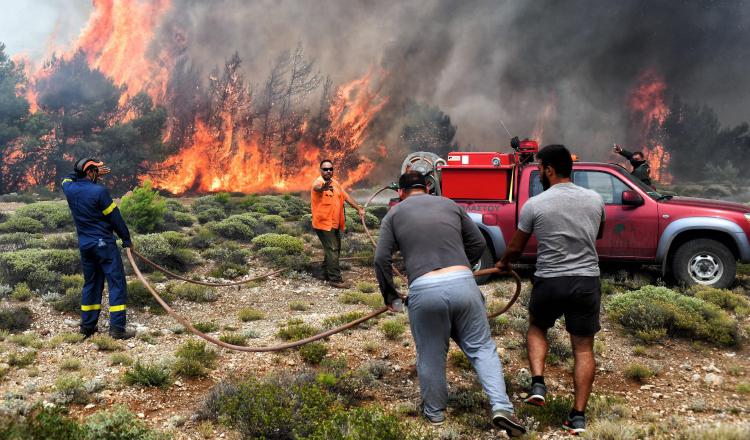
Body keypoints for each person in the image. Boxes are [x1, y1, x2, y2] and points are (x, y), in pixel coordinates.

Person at [374, 171, 526, 437]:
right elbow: (478, 242)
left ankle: (435, 415)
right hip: (464, 284)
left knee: (431, 354)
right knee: (482, 349)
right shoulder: (449, 204)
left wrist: (393, 298)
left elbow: (381, 259)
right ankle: (502, 407)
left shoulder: (394, 214)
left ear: (401, 192)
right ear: (428, 189)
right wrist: (462, 268)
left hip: (424, 289)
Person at [496, 145, 605, 435]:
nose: (538, 173)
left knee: (536, 327)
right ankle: (577, 417)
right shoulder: (595, 199)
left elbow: (517, 247)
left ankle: (538, 384)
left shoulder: (536, 204)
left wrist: (503, 263)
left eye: (540, 167)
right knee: (583, 348)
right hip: (586, 281)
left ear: (550, 170)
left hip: (550, 280)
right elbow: (599, 233)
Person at [61, 158, 135, 340]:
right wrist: (126, 239)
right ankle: (117, 329)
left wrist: (82, 169)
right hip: (104, 245)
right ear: (90, 172)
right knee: (116, 283)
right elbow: (115, 218)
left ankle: (87, 327)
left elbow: (67, 178)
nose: (98, 176)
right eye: (96, 172)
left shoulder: (69, 189)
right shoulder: (99, 192)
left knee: (92, 284)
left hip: (86, 246)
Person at [310, 159, 365, 288]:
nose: (328, 171)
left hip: (334, 224)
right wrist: (323, 187)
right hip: (323, 224)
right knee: (333, 248)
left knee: (334, 248)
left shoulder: (336, 184)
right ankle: (335, 279)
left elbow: (347, 197)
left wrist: (359, 209)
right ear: (320, 170)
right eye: (325, 169)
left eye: (330, 169)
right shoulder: (318, 182)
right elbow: (317, 188)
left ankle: (324, 273)